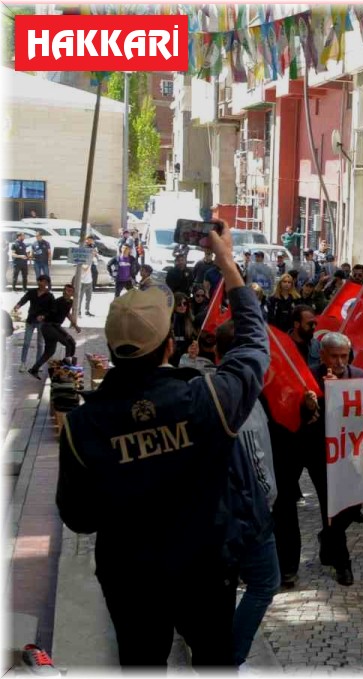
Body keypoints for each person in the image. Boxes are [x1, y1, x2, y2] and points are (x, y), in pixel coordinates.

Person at [55, 221, 267, 667]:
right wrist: (227, 263)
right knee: (213, 659)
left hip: (130, 578)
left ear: (112, 351)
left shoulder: (81, 427)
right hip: (204, 573)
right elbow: (253, 347)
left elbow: (79, 517)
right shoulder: (206, 398)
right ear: (169, 345)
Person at [210, 320, 281, 671]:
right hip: (248, 515)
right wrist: (269, 499)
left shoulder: (206, 388)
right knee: (266, 582)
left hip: (219, 515)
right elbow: (257, 462)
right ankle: (230, 660)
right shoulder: (242, 398)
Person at [288, 332, 363, 586]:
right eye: (334, 356)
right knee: (331, 505)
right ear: (322, 355)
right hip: (318, 453)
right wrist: (320, 396)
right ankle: (342, 563)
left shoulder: (360, 377)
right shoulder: (307, 377)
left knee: (354, 504)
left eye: (344, 355)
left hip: (351, 452)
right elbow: (298, 416)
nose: (340, 361)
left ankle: (328, 537)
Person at [27, 282, 80, 379]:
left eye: (70, 291)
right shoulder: (58, 301)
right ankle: (67, 368)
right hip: (49, 327)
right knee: (68, 343)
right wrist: (42, 316)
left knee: (50, 352)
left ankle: (34, 369)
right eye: (66, 290)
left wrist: (75, 325)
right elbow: (49, 310)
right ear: (63, 291)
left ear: (72, 293)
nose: (68, 293)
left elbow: (67, 314)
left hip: (56, 326)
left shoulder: (70, 302)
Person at [13, 275, 52, 370]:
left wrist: (43, 316)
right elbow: (24, 299)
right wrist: (18, 305)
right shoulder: (32, 292)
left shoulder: (49, 296)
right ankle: (23, 363)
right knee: (26, 342)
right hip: (30, 320)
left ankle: (38, 364)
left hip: (42, 323)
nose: (42, 283)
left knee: (40, 344)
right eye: (40, 281)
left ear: (47, 283)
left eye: (44, 281)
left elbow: (52, 310)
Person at [288, 305, 321, 370]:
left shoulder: (317, 345)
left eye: (315, 324)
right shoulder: (281, 346)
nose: (313, 327)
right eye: (310, 324)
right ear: (297, 324)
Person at [168, 293, 197, 366]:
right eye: (179, 304)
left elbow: (193, 339)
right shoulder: (169, 320)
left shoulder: (191, 320)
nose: (182, 306)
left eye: (185, 303)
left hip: (186, 357)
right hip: (171, 357)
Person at [80, 235, 98, 316]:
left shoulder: (92, 248)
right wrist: (91, 256)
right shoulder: (84, 252)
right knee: (80, 297)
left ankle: (87, 311)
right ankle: (78, 311)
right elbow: (85, 268)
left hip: (89, 280)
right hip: (82, 280)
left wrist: (93, 255)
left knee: (89, 298)